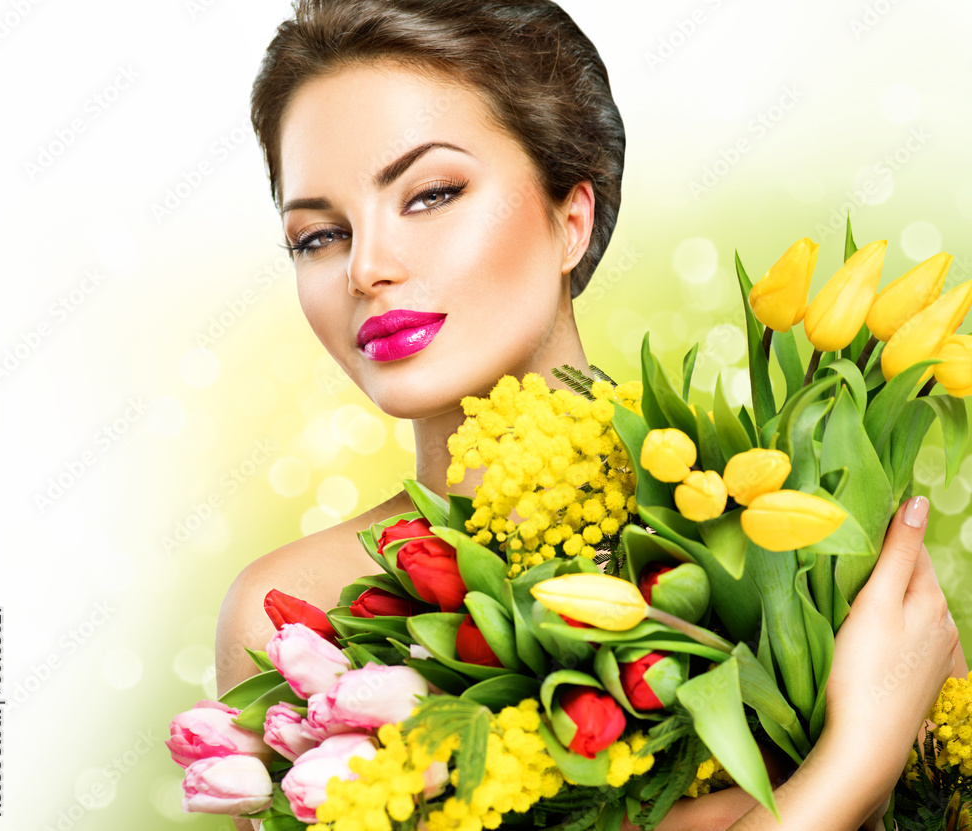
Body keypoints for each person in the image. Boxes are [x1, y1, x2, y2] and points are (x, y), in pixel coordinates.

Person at [215, 2, 966, 829]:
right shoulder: (293, 615)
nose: (368, 267)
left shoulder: (787, 527)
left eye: (430, 194)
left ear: (571, 217)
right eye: (317, 236)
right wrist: (853, 761)